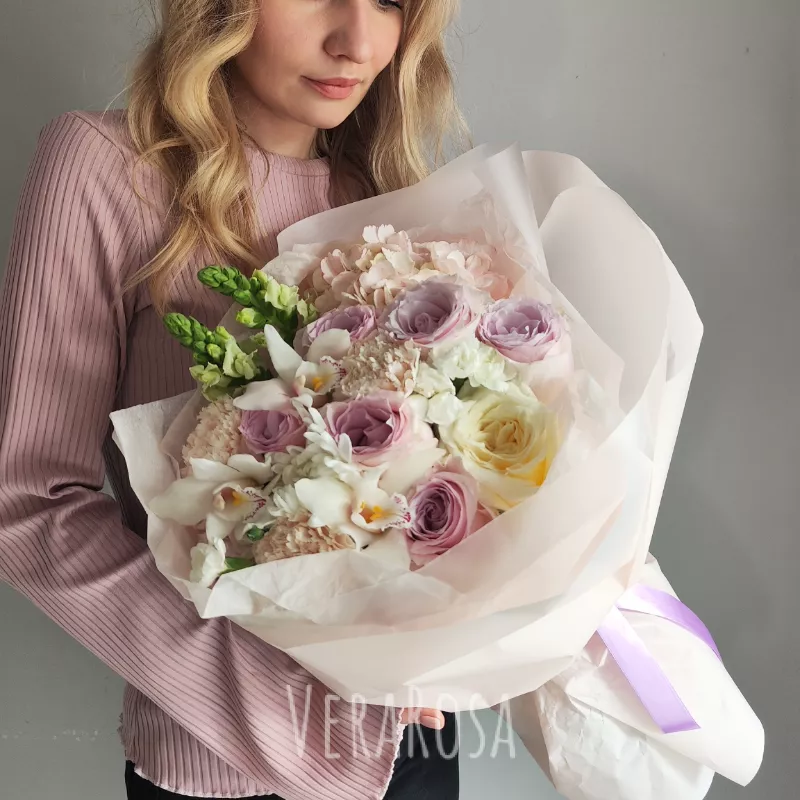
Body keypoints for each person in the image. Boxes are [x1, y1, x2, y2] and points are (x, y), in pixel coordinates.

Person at [0, 0, 468, 798]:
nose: (357, 41)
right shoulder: (108, 169)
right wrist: (284, 710)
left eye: (390, 1)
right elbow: (29, 501)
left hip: (413, 739)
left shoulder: (391, 195)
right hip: (223, 759)